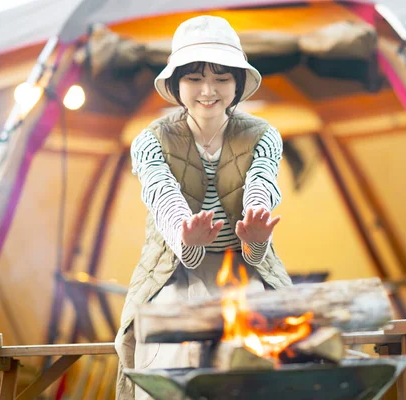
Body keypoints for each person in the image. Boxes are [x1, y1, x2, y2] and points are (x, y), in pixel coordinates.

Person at [114, 15, 293, 400]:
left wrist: (256, 234)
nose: (208, 90)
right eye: (194, 78)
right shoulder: (151, 140)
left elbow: (261, 184)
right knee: (170, 352)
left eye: (222, 78)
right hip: (171, 273)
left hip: (245, 269)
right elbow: (163, 197)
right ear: (177, 85)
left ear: (238, 84)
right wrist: (188, 238)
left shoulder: (263, 134)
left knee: (264, 358)